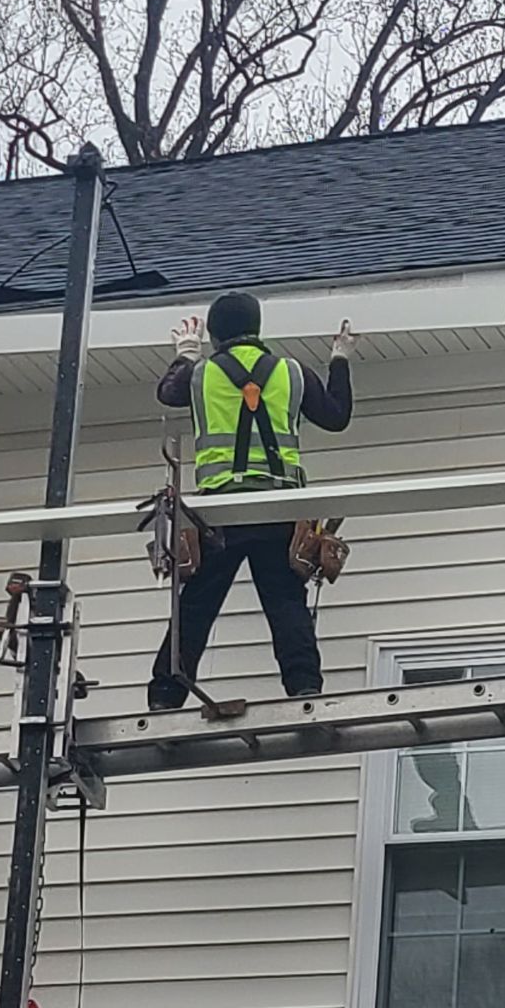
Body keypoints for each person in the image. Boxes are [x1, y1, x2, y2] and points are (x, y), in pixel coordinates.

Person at [147, 290, 356, 710]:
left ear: (216, 333)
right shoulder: (292, 373)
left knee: (197, 604)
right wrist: (339, 359)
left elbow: (167, 394)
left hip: (220, 511)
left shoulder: (202, 374)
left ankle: (166, 695)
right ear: (257, 328)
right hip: (278, 508)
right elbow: (336, 417)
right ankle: (304, 686)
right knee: (285, 601)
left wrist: (186, 354)